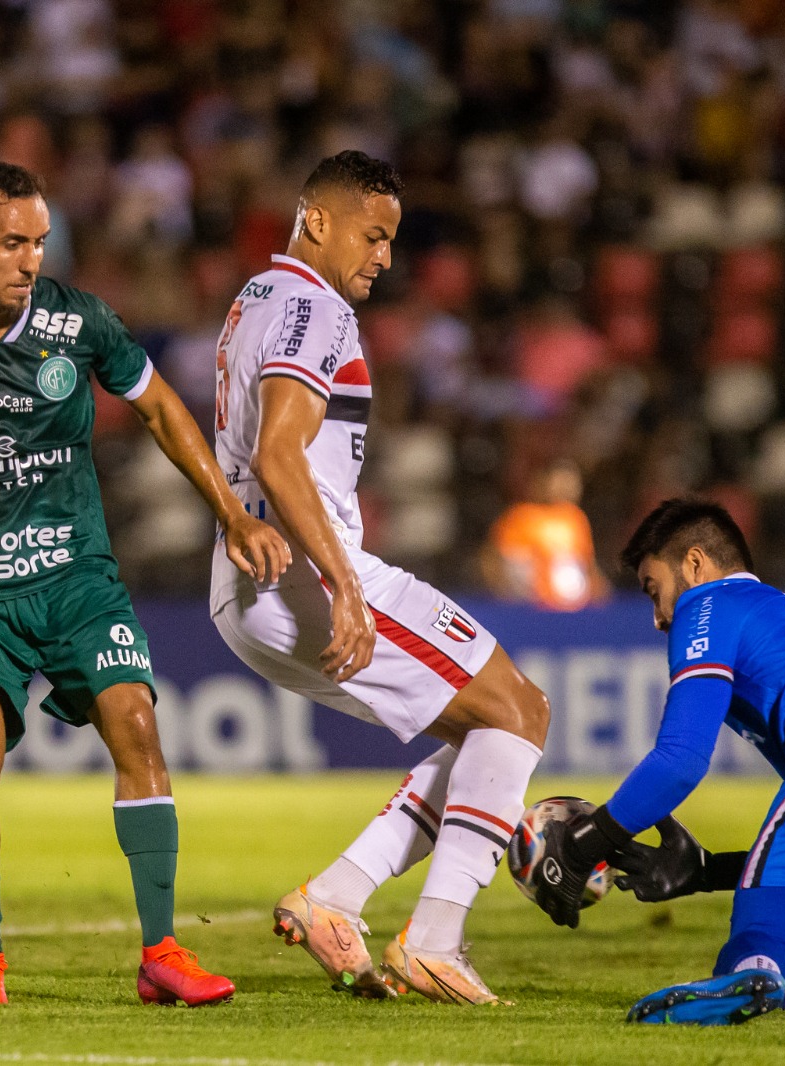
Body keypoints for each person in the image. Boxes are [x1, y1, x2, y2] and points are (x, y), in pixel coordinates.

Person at [0, 162, 288, 1006]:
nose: (31, 259)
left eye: (40, 242)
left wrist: (232, 512)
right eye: (12, 243)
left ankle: (161, 953)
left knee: (137, 726)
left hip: (76, 573)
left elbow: (160, 411)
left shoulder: (80, 322)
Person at [208, 150, 550, 1005]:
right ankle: (434, 940)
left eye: (393, 241)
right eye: (373, 234)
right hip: (309, 575)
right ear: (315, 221)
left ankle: (336, 897)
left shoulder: (257, 297)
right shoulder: (316, 309)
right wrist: (347, 586)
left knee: (487, 735)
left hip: (249, 579)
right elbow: (278, 455)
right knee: (520, 710)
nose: (385, 258)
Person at [530, 498, 785, 1025]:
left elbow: (681, 760)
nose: (660, 617)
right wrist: (705, 872)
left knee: (759, 960)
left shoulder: (707, 603)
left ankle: (751, 968)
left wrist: (585, 843)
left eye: (653, 589)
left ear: (695, 563)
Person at [482, 458, 609, 611]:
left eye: (572, 482)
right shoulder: (521, 517)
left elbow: (587, 563)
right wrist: (510, 600)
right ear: (544, 482)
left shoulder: (576, 519)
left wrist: (605, 598)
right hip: (535, 608)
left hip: (574, 610)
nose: (566, 488)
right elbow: (495, 561)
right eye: (560, 481)